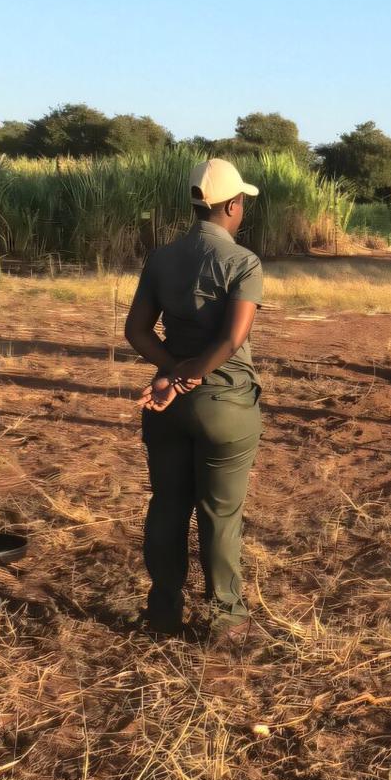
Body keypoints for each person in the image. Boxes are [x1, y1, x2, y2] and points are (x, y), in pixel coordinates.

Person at [126, 159, 264, 648]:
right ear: (233, 205)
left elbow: (136, 331)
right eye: (242, 202)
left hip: (166, 407)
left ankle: (163, 611)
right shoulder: (243, 262)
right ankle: (227, 619)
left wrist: (170, 372)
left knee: (167, 504)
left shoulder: (161, 258)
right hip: (224, 405)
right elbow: (231, 339)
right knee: (219, 514)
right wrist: (190, 375)